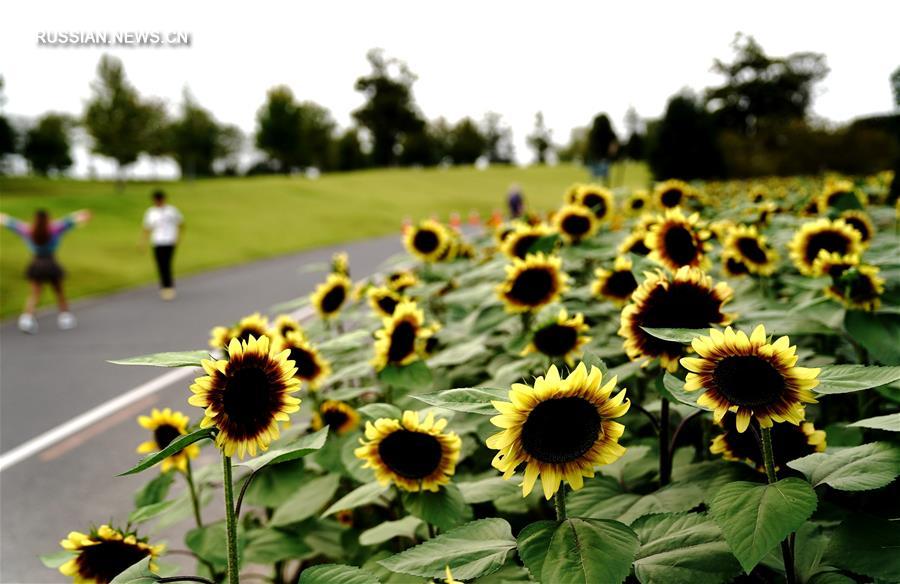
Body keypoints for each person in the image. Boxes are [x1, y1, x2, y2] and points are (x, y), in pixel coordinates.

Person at [1, 208, 91, 333]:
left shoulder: (29, 230)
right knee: (59, 292)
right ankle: (65, 317)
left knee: (35, 293)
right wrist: (81, 215)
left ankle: (26, 319)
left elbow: (12, 223)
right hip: (50, 262)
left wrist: (3, 218)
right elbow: (68, 222)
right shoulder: (53, 229)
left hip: (36, 263)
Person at [142, 190, 183, 301]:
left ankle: (168, 287)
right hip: (157, 242)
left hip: (169, 241)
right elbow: (147, 228)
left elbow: (180, 224)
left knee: (167, 264)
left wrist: (178, 238)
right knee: (160, 264)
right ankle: (165, 286)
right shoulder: (151, 212)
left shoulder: (171, 211)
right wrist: (143, 242)